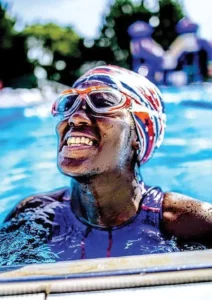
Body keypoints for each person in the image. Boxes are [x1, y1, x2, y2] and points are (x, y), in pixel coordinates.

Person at [1, 65, 212, 264]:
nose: (75, 117)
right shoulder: (34, 216)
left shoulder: (190, 223)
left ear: (141, 131)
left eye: (102, 103)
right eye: (69, 104)